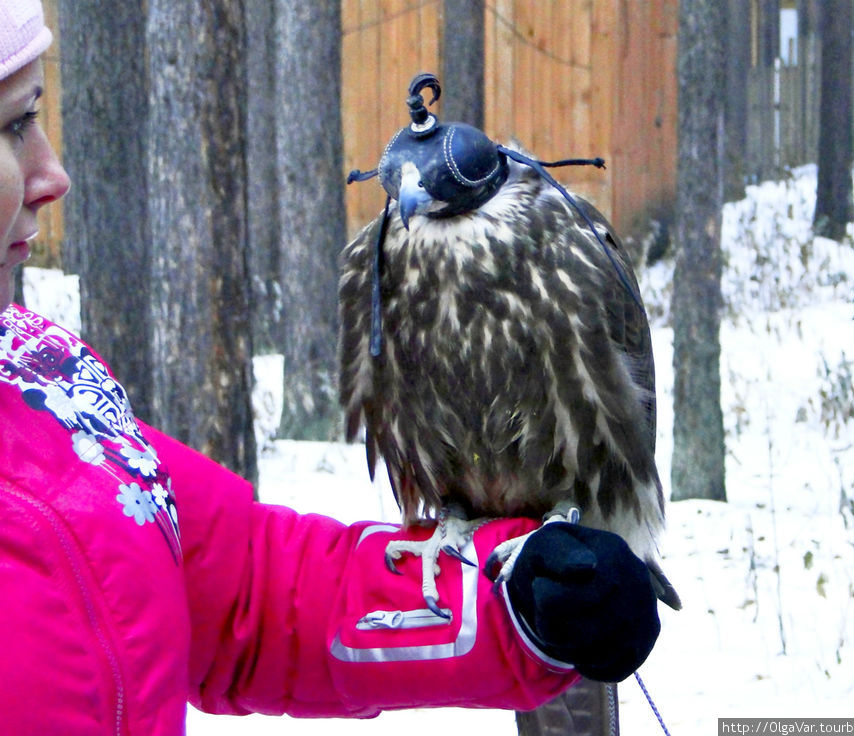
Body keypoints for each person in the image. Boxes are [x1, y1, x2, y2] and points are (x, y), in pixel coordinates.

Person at [0, 2, 661, 733]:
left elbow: (247, 597)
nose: (52, 173)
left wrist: (514, 599)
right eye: (12, 126)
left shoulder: (43, 388)